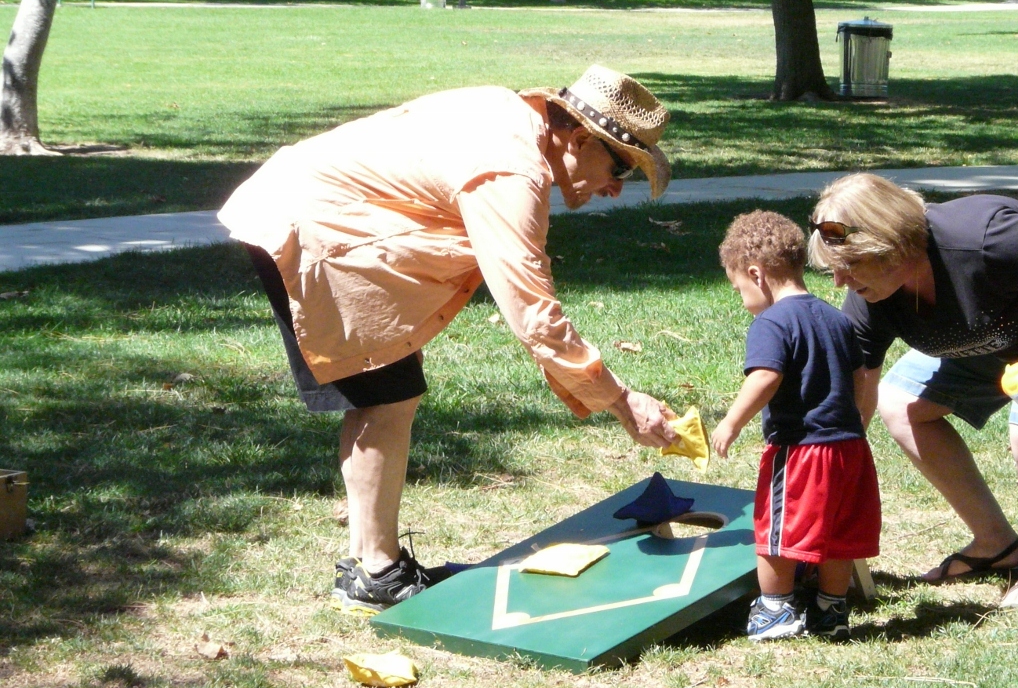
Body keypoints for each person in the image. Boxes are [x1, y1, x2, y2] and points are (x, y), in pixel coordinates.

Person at [218, 66, 678, 613]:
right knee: (387, 397)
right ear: (578, 138)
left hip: (313, 209)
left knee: (388, 395)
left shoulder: (507, 115)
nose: (617, 187)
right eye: (621, 164)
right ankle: (376, 570)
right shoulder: (512, 171)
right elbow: (533, 314)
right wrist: (622, 401)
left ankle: (371, 564)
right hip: (316, 224)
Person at [809, 174, 1018, 608]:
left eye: (849, 264)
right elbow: (862, 393)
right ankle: (997, 545)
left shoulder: (986, 237)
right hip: (997, 336)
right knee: (902, 404)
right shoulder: (871, 298)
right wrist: (836, 467)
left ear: (891, 246)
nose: (839, 281)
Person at [711, 211, 881, 641]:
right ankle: (831, 610)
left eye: (739, 289)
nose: (742, 299)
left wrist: (730, 422)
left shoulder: (772, 322)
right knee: (839, 533)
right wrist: (856, 423)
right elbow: (862, 377)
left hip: (801, 449)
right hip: (850, 449)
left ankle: (775, 611)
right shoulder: (838, 319)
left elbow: (765, 376)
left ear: (756, 273)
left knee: (775, 530)